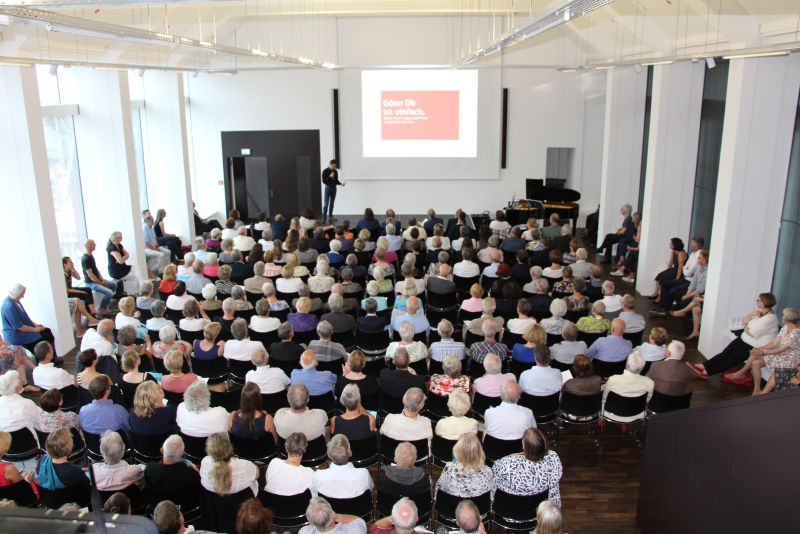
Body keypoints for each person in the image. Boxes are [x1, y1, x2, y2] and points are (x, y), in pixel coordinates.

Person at [687, 293, 779, 379]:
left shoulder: (770, 318)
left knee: (731, 360)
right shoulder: (759, 312)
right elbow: (744, 322)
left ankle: (707, 372)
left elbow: (753, 333)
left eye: (758, 300)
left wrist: (746, 327)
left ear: (764, 303)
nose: (756, 301)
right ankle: (702, 365)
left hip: (755, 345)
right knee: (724, 354)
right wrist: (750, 316)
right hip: (745, 339)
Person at [722, 307, 800, 394]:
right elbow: (774, 342)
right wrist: (760, 349)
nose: (781, 316)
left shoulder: (796, 334)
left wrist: (763, 352)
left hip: (790, 359)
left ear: (787, 320)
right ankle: (756, 390)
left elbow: (781, 350)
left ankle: (763, 394)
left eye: (783, 315)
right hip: (781, 355)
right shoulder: (786, 327)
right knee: (755, 363)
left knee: (777, 372)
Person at [492, 427, 562, 505]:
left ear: (524, 446)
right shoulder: (553, 458)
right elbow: (554, 483)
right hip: (540, 509)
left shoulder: (507, 463)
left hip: (509, 509)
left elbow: (495, 477)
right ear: (544, 443)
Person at [1, 284, 58, 358]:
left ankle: (52, 358)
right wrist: (35, 329)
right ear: (16, 294)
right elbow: (19, 326)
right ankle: (44, 360)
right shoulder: (9, 307)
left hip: (22, 331)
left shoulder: (15, 301)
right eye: (22, 294)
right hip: (16, 335)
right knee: (44, 338)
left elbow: (25, 317)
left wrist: (35, 325)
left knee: (47, 331)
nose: (23, 296)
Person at [37, 428, 90, 507]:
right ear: (68, 447)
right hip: (70, 505)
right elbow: (87, 492)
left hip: (49, 502)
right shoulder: (73, 472)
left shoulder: (42, 460)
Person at [313, 434, 374, 498]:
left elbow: (315, 497)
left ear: (329, 455)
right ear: (350, 453)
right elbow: (370, 490)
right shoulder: (363, 474)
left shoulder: (319, 475)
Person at [435, 433, 495, 499]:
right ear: (479, 451)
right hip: (479, 508)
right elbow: (492, 496)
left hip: (452, 507)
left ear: (457, 450)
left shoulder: (449, 468)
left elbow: (438, 491)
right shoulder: (488, 471)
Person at [200, 432, 259, 497]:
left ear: (209, 450)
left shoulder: (205, 462)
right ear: (230, 448)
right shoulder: (244, 465)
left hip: (213, 505)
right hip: (243, 505)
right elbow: (257, 475)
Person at [144, 435, 202, 500]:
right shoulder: (191, 474)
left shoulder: (150, 468)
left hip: (157, 505)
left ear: (161, 450)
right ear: (183, 454)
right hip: (184, 506)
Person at [602, 351, 654, 421]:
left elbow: (604, 398)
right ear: (643, 366)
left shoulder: (613, 379)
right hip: (636, 413)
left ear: (627, 364)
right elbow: (647, 400)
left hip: (611, 413)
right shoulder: (650, 382)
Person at [82, 239, 118, 314]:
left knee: (113, 285)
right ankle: (102, 308)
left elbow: (96, 269)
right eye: (94, 244)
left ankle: (106, 305)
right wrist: (101, 283)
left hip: (97, 280)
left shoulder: (91, 256)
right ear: (89, 246)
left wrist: (101, 278)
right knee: (109, 292)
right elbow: (90, 275)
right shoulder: (85, 259)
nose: (95, 245)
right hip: (91, 283)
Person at [0, 370, 41, 437]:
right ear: (16, 386)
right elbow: (39, 422)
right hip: (29, 441)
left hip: (4, 443)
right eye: (19, 378)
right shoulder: (27, 403)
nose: (22, 380)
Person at [300, 496, 367, 534]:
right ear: (333, 513)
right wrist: (335, 516)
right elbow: (359, 521)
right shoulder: (354, 530)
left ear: (310, 522)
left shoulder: (303, 531)